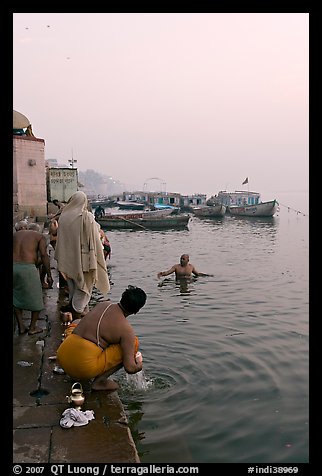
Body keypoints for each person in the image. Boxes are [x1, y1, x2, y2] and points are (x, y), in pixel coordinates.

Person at [56, 285, 147, 391]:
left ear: (122, 298)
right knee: (132, 343)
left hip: (62, 355)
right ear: (136, 311)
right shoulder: (127, 330)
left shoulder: (103, 305)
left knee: (77, 322)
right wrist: (139, 364)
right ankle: (99, 382)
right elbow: (130, 368)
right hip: (81, 367)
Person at [54, 191, 110, 320]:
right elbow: (95, 235)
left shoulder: (64, 216)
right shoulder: (86, 216)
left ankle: (79, 311)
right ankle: (77, 316)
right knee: (84, 288)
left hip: (68, 258)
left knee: (73, 286)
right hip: (85, 259)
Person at [13, 225, 53, 335]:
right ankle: (32, 327)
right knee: (37, 299)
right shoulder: (40, 236)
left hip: (13, 267)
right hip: (27, 268)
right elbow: (44, 255)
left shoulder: (15, 235)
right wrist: (49, 276)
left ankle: (21, 326)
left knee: (15, 296)